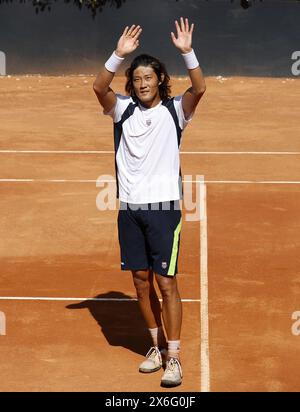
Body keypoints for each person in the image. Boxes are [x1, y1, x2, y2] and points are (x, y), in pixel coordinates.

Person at [93, 17, 206, 388]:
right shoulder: (121, 110)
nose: (142, 84)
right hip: (129, 207)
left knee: (166, 282)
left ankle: (174, 356)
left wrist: (187, 52)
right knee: (141, 282)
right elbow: (99, 86)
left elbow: (200, 88)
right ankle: (155, 347)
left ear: (159, 80)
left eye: (148, 78)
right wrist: (116, 55)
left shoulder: (175, 112)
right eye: (136, 79)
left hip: (164, 209)